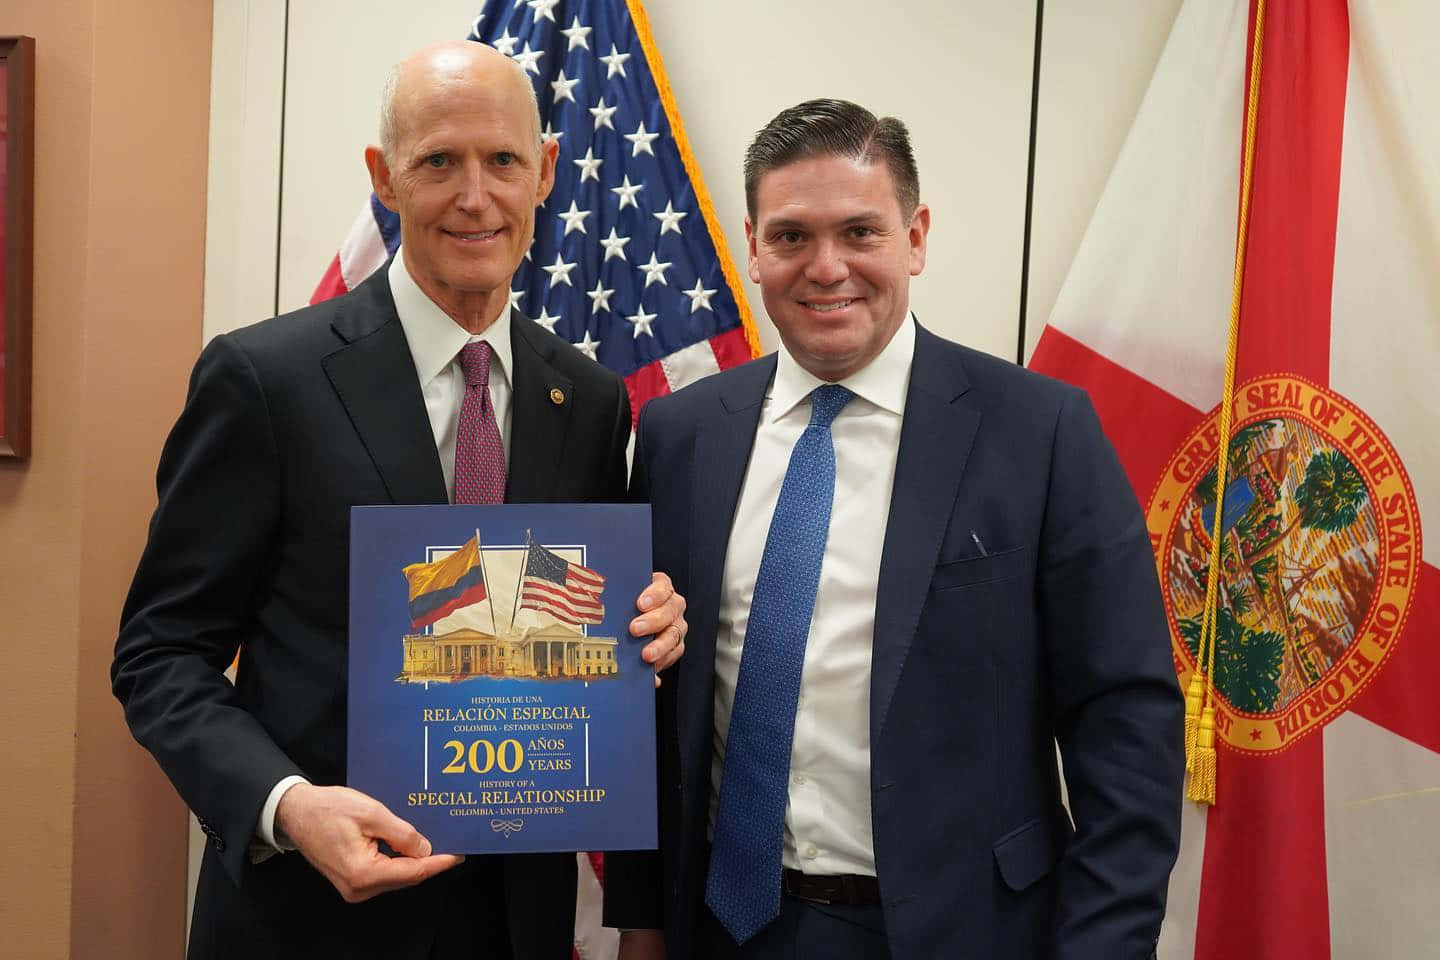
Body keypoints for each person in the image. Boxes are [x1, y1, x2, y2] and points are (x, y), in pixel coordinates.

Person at [112, 42, 687, 960]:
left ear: (545, 173)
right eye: (438, 161)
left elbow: (576, 632)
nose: (475, 196)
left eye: (503, 160)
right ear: (384, 176)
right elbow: (160, 654)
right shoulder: (265, 380)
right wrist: (287, 806)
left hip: (518, 926)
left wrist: (647, 627)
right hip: (308, 922)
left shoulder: (587, 401)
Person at [603, 99, 1184, 960]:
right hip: (724, 927)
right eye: (791, 236)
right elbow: (650, 705)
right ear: (754, 249)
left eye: (860, 232)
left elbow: (1125, 721)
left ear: (914, 238)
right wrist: (643, 925)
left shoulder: (1041, 431)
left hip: (962, 934)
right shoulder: (679, 436)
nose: (826, 267)